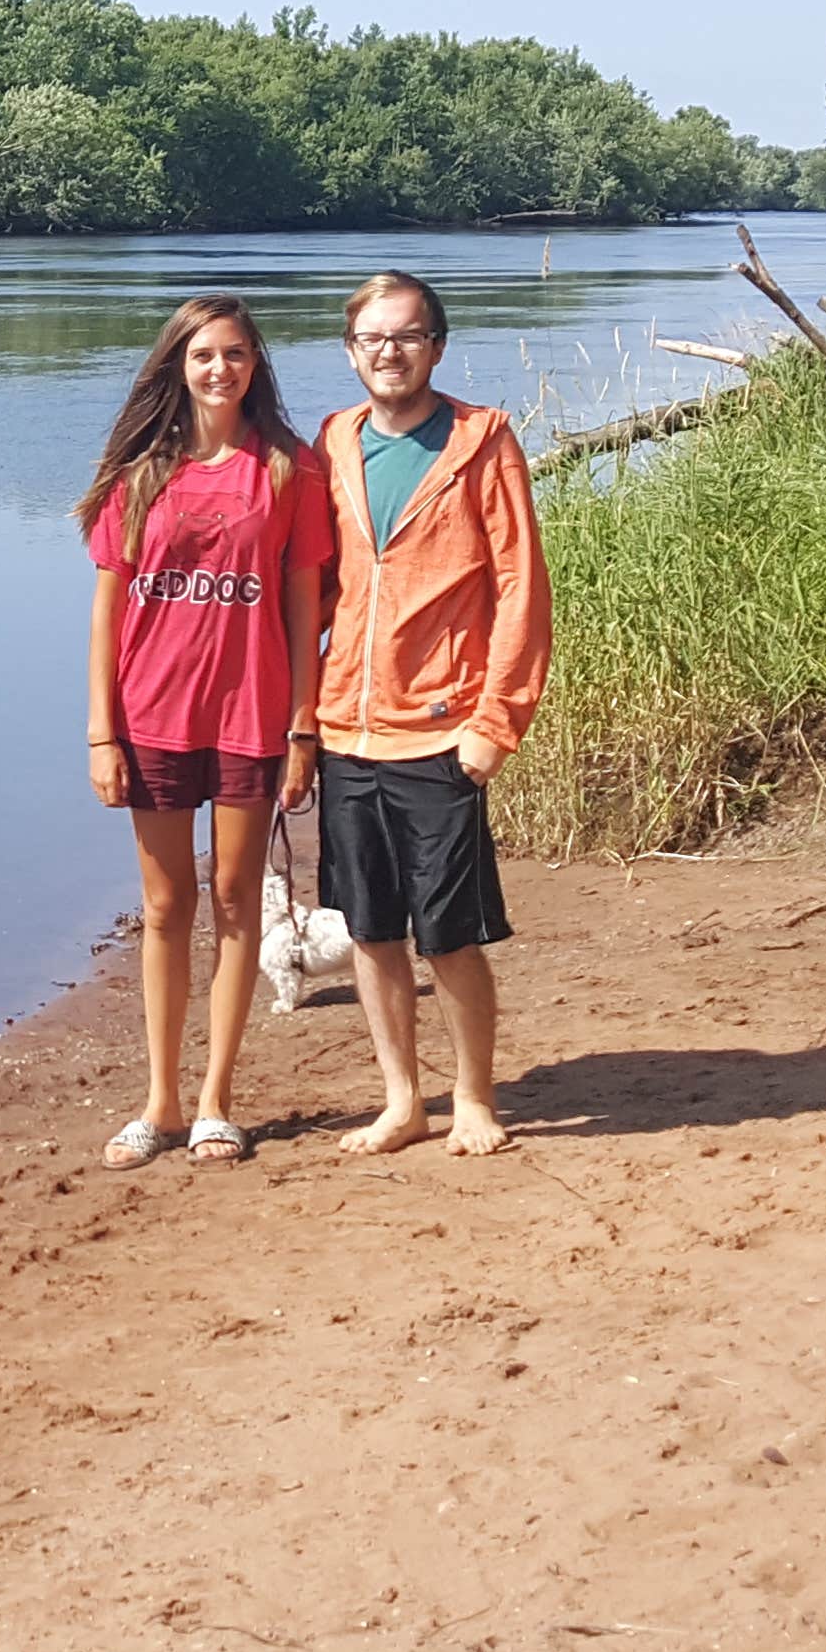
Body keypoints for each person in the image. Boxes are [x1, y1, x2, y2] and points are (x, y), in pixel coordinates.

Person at [79, 294, 335, 1167]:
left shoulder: (288, 470)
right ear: (177, 367)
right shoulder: (140, 473)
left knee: (233, 901)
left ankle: (218, 1099)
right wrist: (99, 734)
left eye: (233, 353)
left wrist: (304, 725)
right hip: (151, 712)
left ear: (254, 364)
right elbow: (107, 610)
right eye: (201, 356)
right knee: (162, 907)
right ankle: (159, 1102)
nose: (218, 369)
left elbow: (305, 604)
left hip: (250, 715)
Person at [308, 272, 550, 1157]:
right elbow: (313, 590)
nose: (389, 352)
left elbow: (522, 587)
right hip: (347, 730)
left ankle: (475, 1098)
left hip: (443, 731)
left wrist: (495, 722)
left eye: (406, 336)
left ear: (437, 346)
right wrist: (302, 721)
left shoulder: (482, 441)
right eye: (372, 338)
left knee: (449, 933)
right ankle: (402, 1100)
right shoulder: (334, 440)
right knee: (371, 929)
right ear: (350, 351)